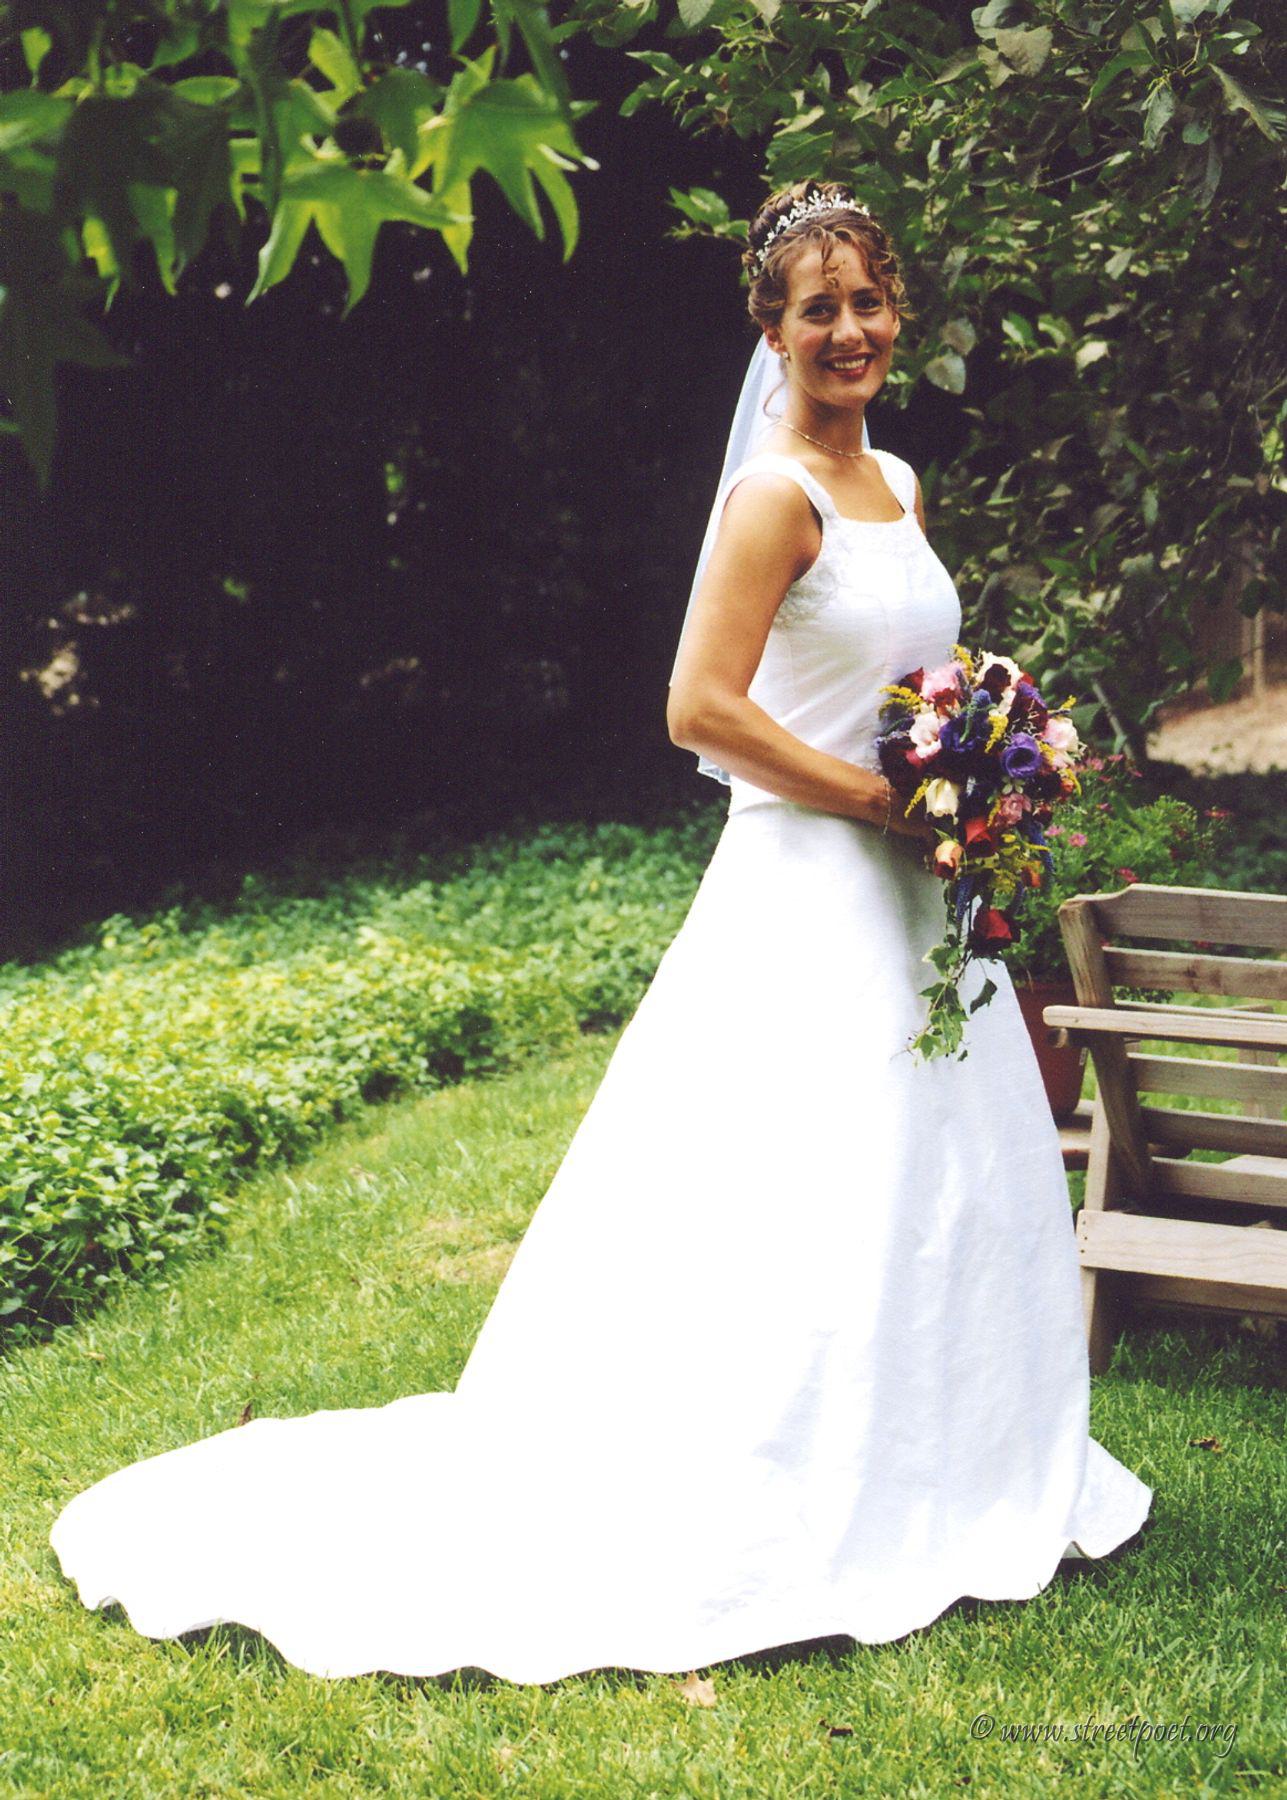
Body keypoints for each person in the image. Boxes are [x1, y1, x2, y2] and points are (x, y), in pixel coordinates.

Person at [48, 180, 1153, 1686]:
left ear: (898, 312)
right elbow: (699, 707)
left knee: (938, 1178)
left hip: (920, 893)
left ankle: (947, 1468)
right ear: (772, 330)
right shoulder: (773, 498)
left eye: (868, 302)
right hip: (812, 885)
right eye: (816, 309)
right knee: (795, 1188)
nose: (848, 330)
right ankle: (764, 1489)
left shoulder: (896, 479)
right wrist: (884, 803)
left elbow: (908, 684)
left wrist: (980, 766)